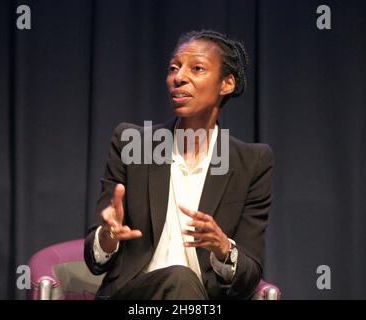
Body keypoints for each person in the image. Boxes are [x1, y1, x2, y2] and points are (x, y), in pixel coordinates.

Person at [84, 30, 273, 300]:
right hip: (135, 298)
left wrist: (223, 248)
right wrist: (107, 237)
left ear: (227, 84)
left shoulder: (252, 163)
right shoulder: (133, 145)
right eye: (174, 68)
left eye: (196, 68)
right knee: (179, 278)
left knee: (184, 283)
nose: (179, 77)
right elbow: (95, 260)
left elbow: (249, 275)